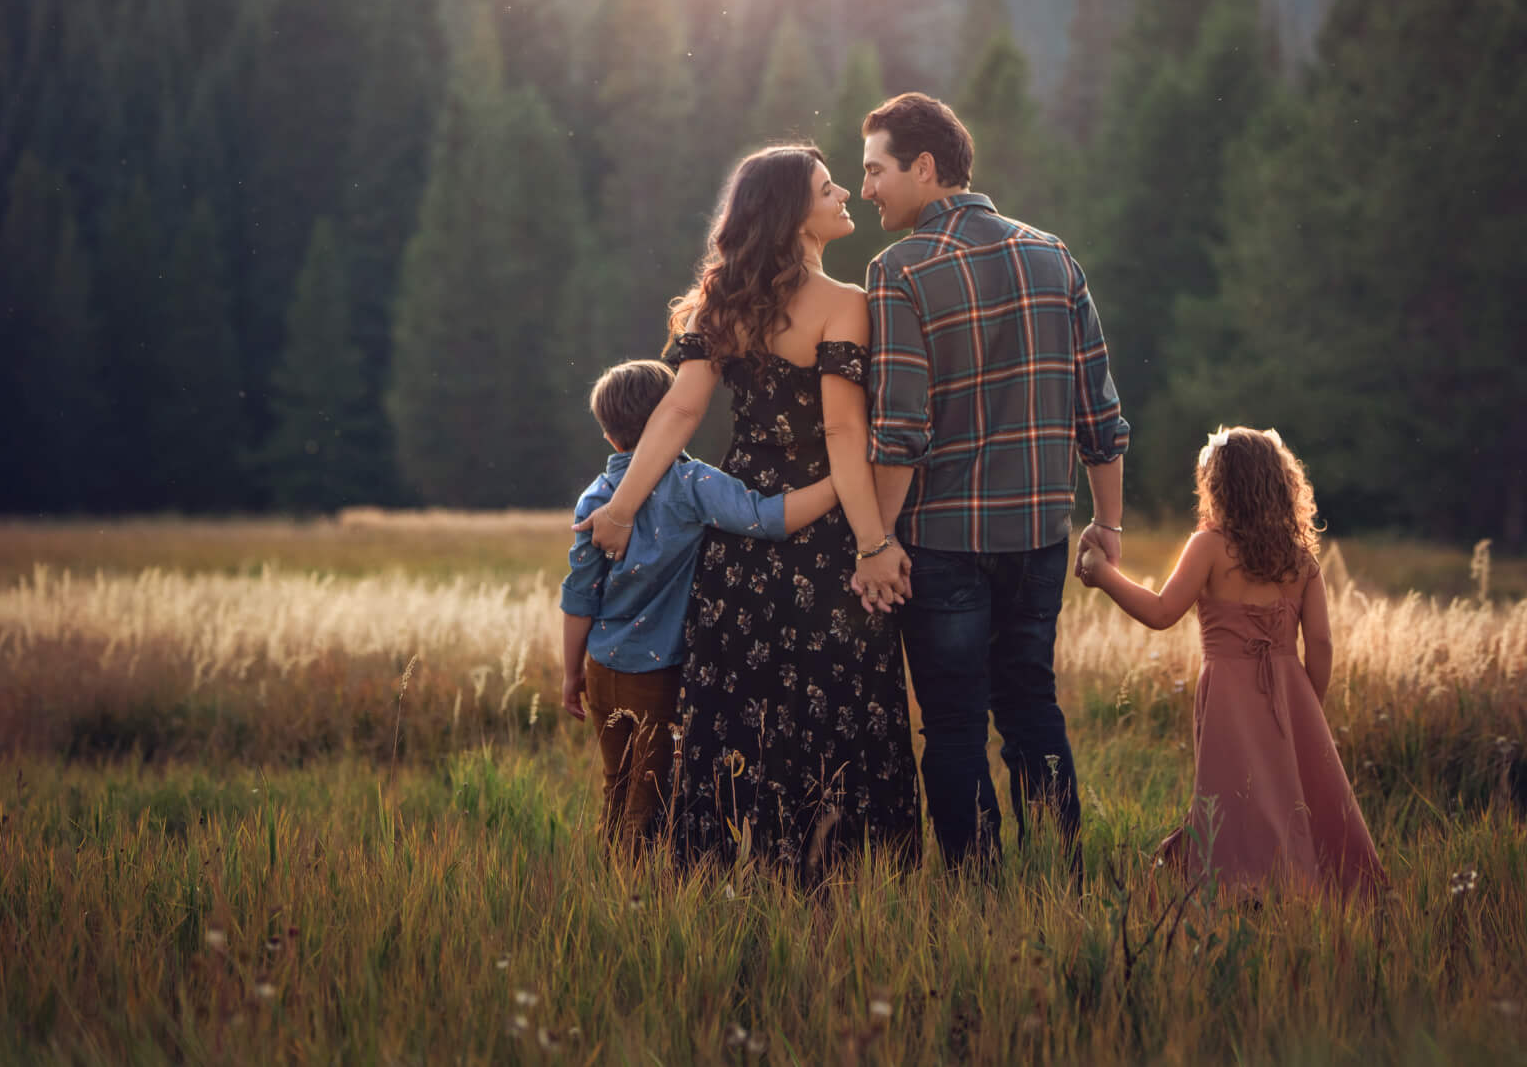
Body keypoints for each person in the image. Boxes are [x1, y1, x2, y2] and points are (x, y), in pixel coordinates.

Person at [577, 145, 921, 875]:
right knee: (831, 696)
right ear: (795, 213)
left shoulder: (722, 302)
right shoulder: (844, 302)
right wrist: (872, 542)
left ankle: (735, 862)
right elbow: (841, 432)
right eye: (830, 190)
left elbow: (678, 412)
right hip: (824, 528)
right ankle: (831, 866)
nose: (845, 197)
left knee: (743, 703)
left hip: (741, 533)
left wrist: (619, 509)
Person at [855, 91, 1128, 869]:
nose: (868, 187)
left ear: (926, 167)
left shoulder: (899, 271)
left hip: (942, 546)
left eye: (876, 170)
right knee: (1032, 708)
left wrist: (876, 541)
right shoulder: (1055, 255)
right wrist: (1106, 525)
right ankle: (1057, 881)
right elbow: (1100, 414)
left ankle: (977, 894)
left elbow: (900, 429)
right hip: (1042, 540)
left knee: (952, 725)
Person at [1076, 426, 1387, 897]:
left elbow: (1162, 613)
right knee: (1294, 796)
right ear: (1281, 486)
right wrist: (1307, 704)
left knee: (1234, 795)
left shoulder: (1209, 546)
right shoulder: (1302, 560)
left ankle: (1240, 888)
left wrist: (1103, 575)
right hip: (1292, 694)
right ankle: (1307, 887)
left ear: (1218, 487)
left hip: (1228, 694)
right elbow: (1320, 644)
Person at [561, 359, 845, 851]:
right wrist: (841, 482)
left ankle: (608, 878)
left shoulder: (596, 498)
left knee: (617, 782)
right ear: (673, 417)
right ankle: (633, 891)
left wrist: (572, 673)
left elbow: (578, 598)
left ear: (609, 436)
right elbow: (767, 518)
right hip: (656, 676)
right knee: (648, 794)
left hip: (601, 667)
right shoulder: (693, 485)